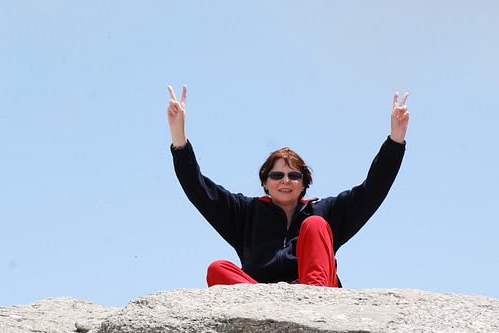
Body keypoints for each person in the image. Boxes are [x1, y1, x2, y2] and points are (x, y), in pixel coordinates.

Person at [167, 84, 409, 288]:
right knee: (217, 269)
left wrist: (395, 140)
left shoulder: (325, 212)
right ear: (265, 182)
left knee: (314, 225)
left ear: (304, 184)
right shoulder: (245, 213)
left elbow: (373, 190)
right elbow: (198, 189)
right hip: (261, 299)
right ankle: (265, 317)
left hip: (314, 293)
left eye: (294, 175)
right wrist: (179, 136)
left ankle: (311, 304)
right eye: (277, 175)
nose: (285, 180)